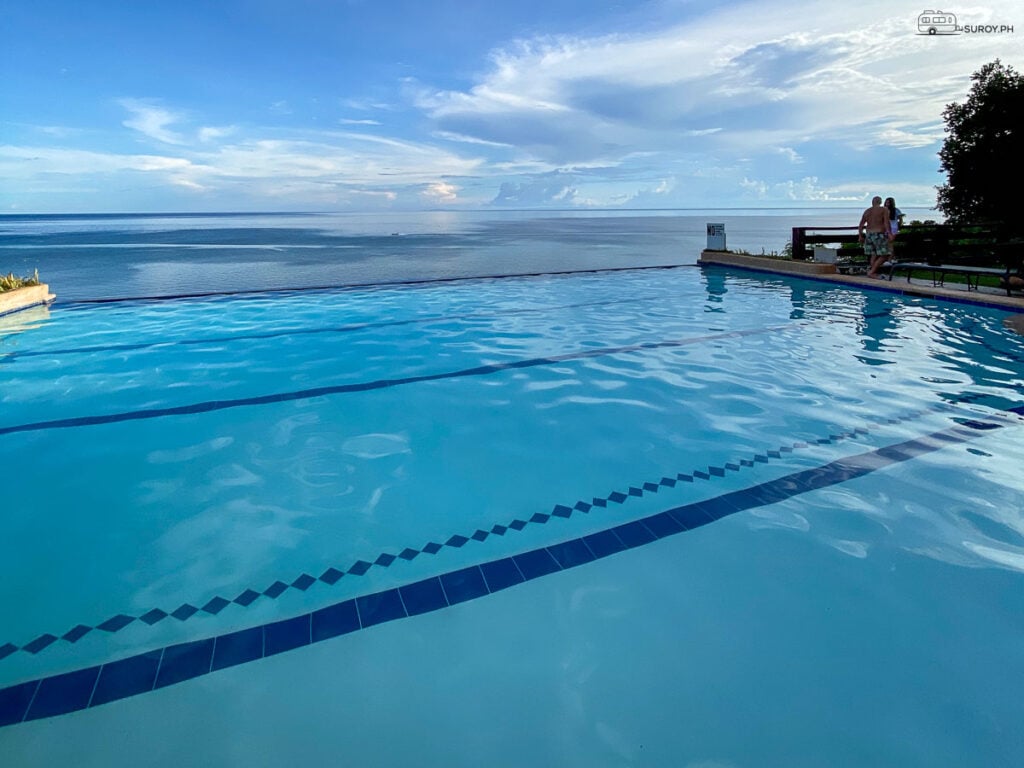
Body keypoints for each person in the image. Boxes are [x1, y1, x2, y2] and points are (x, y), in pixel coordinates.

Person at [859, 196, 894, 278]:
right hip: (879, 234)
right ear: (880, 202)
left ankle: (873, 272)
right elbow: (886, 223)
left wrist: (860, 236)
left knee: (873, 254)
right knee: (885, 255)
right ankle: (872, 272)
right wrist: (889, 234)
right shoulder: (884, 210)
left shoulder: (867, 211)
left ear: (872, 202)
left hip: (869, 235)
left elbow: (861, 225)